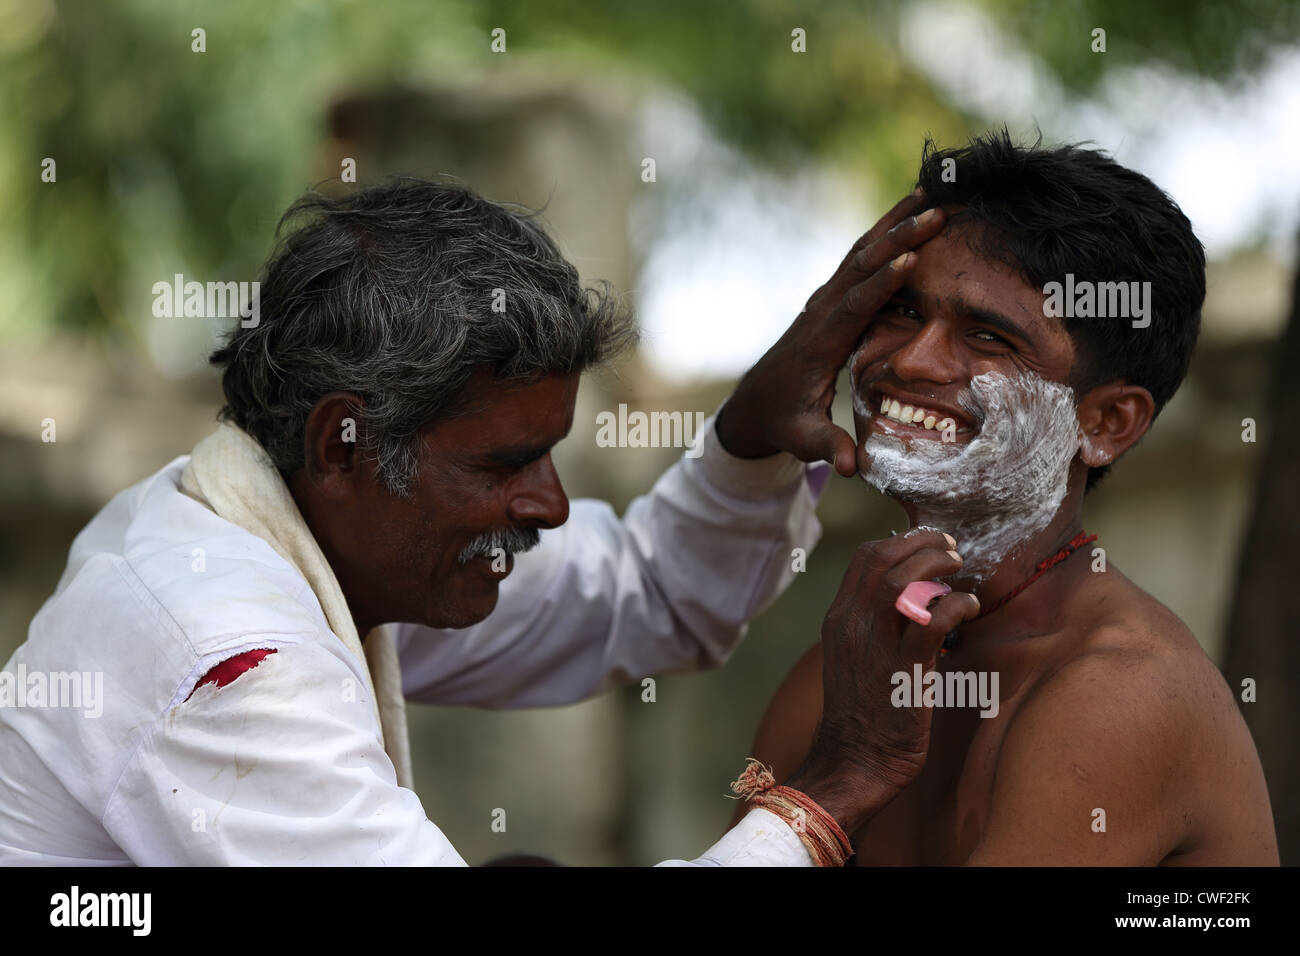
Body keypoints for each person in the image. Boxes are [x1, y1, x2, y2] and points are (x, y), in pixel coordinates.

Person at [0, 176, 968, 866]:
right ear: (344, 443)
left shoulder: (294, 526)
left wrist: (751, 435)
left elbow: (643, 590)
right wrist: (830, 790)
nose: (547, 503)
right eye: (503, 462)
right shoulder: (227, 655)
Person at [732, 131, 1279, 865]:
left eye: (988, 337)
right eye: (900, 311)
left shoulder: (1118, 693)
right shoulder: (842, 685)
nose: (911, 360)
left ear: (1106, 423)